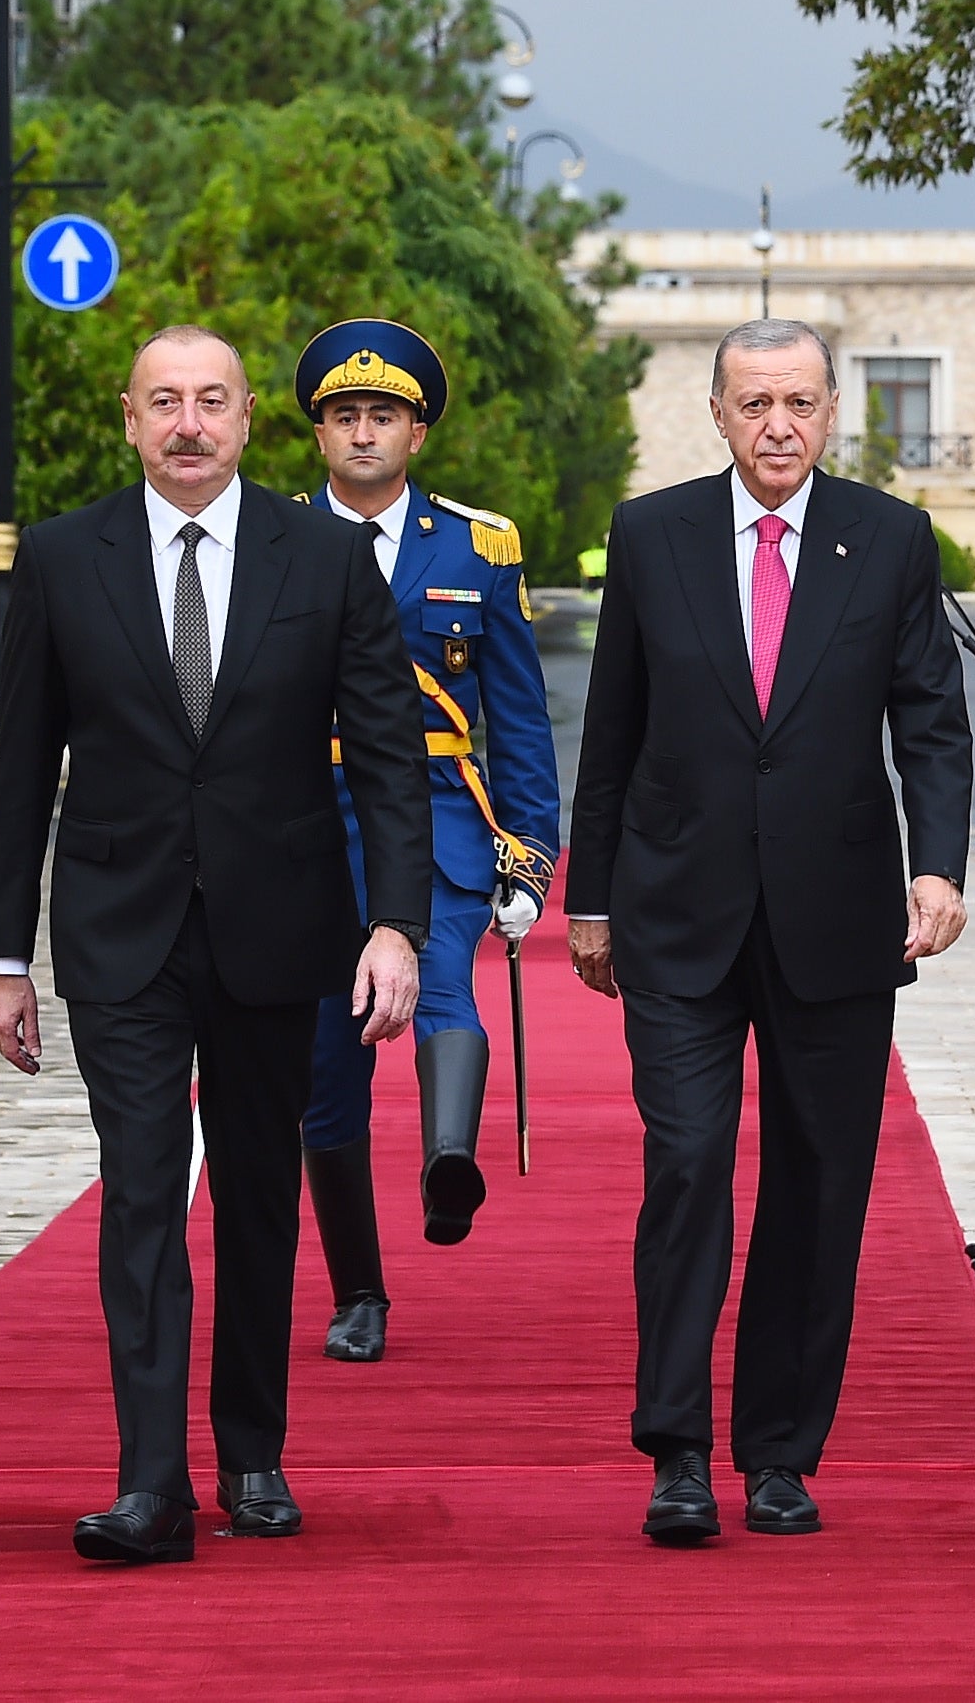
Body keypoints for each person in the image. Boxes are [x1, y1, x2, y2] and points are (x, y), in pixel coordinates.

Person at [0, 325, 431, 1564]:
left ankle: (253, 1451)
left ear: (244, 422)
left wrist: (396, 924)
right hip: (120, 934)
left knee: (257, 1194)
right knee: (139, 1195)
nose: (188, 422)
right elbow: (25, 768)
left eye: (212, 401)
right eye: (164, 401)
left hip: (280, 932)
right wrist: (1, 954)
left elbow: (391, 755)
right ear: (129, 419)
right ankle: (150, 1480)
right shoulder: (68, 559)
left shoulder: (328, 559)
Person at [566, 317, 975, 1546]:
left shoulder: (892, 540)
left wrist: (940, 866)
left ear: (834, 410)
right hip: (677, 913)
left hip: (837, 920)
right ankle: (678, 1450)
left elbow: (931, 720)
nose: (778, 425)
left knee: (818, 1183)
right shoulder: (652, 536)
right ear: (718, 411)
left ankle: (781, 1451)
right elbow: (613, 730)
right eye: (755, 403)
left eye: (799, 401)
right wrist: (589, 896)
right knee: (687, 1164)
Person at [287, 320, 562, 1366]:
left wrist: (531, 855)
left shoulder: (477, 547)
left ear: (418, 432)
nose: (364, 431)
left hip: (443, 812)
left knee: (441, 980)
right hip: (309, 820)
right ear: (318, 433)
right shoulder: (277, 537)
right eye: (344, 415)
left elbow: (521, 717)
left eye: (383, 415)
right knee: (327, 1061)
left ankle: (451, 1158)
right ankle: (360, 1290)